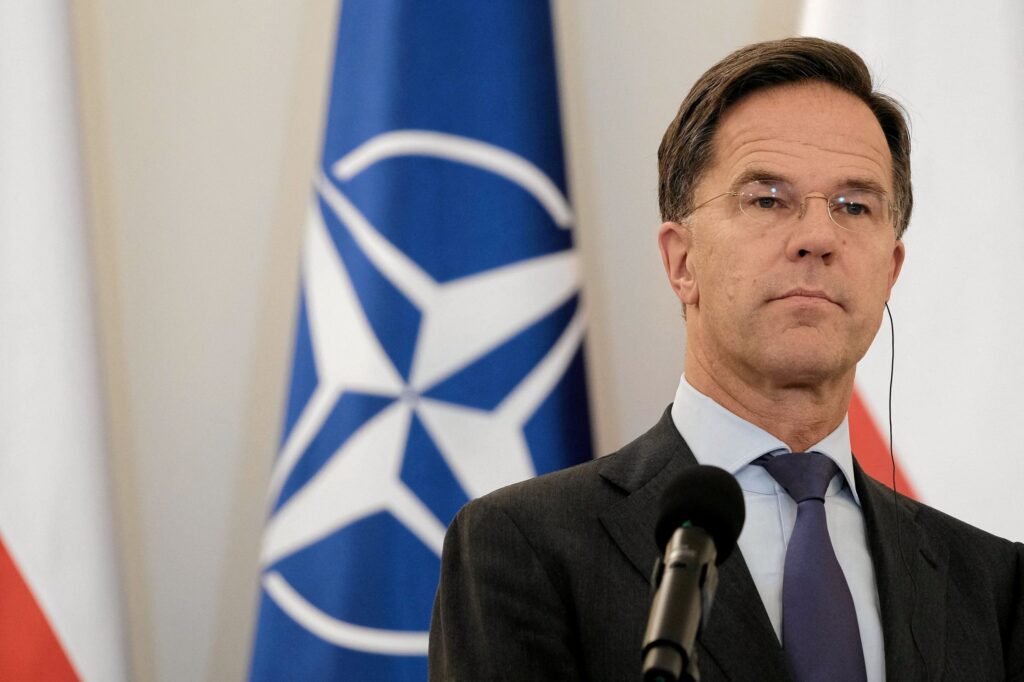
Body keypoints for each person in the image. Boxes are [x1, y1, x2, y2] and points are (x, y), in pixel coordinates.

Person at [428, 37, 1024, 681]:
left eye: (854, 206)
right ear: (681, 261)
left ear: (891, 271)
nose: (818, 237)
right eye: (768, 198)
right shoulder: (526, 544)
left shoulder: (991, 582)